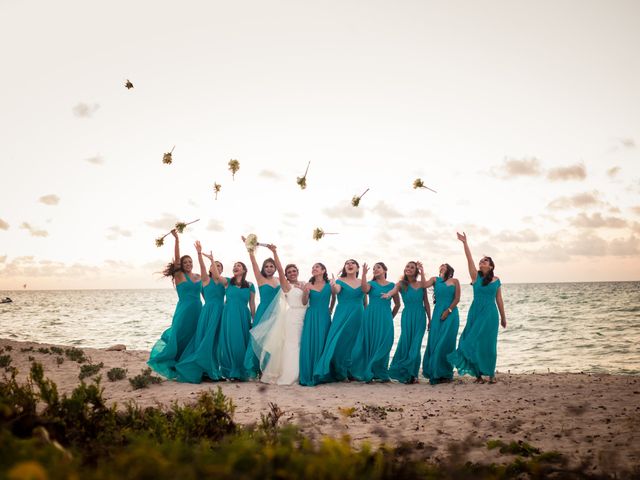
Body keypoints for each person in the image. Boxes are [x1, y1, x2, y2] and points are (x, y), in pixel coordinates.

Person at [447, 232, 507, 383]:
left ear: (491, 265)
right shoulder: (475, 277)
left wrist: (503, 317)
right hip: (476, 312)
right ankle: (478, 375)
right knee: (471, 340)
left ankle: (491, 374)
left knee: (489, 343)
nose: (482, 263)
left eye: (485, 261)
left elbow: (499, 299)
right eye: (481, 261)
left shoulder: (496, 280)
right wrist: (465, 243)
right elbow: (469, 259)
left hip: (490, 314)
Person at [250, 244, 308, 385]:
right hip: (293, 317)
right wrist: (275, 252)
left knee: (303, 345)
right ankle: (291, 375)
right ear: (286, 276)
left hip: (305, 316)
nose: (292, 273)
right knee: (293, 345)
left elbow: (307, 300)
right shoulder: (286, 285)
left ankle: (303, 372)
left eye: (294, 271)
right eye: (289, 272)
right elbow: (280, 270)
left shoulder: (305, 284)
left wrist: (306, 289)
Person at [148, 230, 202, 379]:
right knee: (180, 336)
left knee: (195, 337)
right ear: (181, 265)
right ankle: (176, 364)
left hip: (198, 310)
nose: (188, 264)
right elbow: (177, 259)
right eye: (185, 262)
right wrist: (177, 239)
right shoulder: (179, 275)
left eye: (190, 262)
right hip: (184, 310)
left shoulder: (198, 277)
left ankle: (192, 365)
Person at [175, 241, 226, 383]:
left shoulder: (224, 281)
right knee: (206, 341)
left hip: (221, 313)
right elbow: (205, 296)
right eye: (214, 266)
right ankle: (204, 370)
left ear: (221, 270)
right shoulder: (205, 279)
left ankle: (214, 370)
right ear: (210, 268)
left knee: (217, 343)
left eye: (219, 266)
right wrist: (199, 254)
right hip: (209, 313)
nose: (216, 267)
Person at [313, 259, 365, 384]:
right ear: (345, 267)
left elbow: (365, 300)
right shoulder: (340, 281)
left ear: (357, 268)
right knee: (340, 342)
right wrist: (333, 285)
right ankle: (340, 372)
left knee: (356, 342)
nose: (350, 265)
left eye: (353, 263)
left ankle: (352, 371)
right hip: (343, 314)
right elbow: (336, 290)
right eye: (347, 263)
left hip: (358, 314)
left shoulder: (362, 282)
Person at [350, 262, 400, 382]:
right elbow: (363, 289)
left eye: (378, 267)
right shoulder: (371, 284)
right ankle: (369, 371)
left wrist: (390, 317)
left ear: (385, 269)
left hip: (385, 317)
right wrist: (363, 274)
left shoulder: (392, 285)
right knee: (370, 342)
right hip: (370, 317)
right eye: (374, 269)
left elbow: (398, 304)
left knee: (385, 342)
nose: (375, 270)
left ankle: (381, 372)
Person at [241, 236, 281, 379]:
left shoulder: (278, 280)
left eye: (272, 266)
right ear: (263, 268)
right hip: (263, 311)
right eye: (266, 266)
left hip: (277, 313)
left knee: (272, 341)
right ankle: (252, 369)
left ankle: (267, 369)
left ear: (275, 268)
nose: (269, 268)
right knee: (257, 340)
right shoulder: (260, 278)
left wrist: (274, 252)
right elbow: (253, 262)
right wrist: (249, 247)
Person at [386, 261, 431, 384]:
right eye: (407, 266)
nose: (409, 269)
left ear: (416, 271)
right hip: (407, 316)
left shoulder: (422, 284)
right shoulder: (401, 284)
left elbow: (426, 302)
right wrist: (388, 294)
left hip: (420, 316)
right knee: (406, 343)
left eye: (412, 267)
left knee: (416, 345)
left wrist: (430, 319)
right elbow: (394, 290)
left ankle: (413, 374)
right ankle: (406, 374)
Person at [215, 257, 256, 381]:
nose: (235, 267)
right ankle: (231, 371)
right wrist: (212, 260)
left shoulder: (250, 285)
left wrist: (254, 320)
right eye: (234, 265)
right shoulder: (228, 282)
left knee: (242, 341)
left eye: (238, 265)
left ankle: (241, 370)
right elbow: (216, 276)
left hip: (243, 315)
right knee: (230, 341)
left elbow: (252, 304)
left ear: (244, 270)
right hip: (229, 315)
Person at [421, 263, 460, 384]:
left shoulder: (455, 281)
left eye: (444, 265)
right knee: (435, 342)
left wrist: (448, 311)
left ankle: (446, 373)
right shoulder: (435, 279)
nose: (442, 266)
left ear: (449, 269)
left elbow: (457, 298)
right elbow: (423, 285)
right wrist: (422, 271)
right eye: (440, 266)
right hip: (437, 314)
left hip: (451, 314)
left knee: (447, 343)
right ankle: (435, 372)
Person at [299, 262, 334, 386]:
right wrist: (305, 292)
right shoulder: (308, 284)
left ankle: (321, 373)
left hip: (324, 315)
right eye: (312, 267)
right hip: (311, 315)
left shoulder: (329, 284)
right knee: (310, 342)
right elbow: (304, 302)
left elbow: (334, 297)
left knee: (323, 341)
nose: (314, 269)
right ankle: (309, 373)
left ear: (323, 270)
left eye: (317, 267)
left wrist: (331, 308)